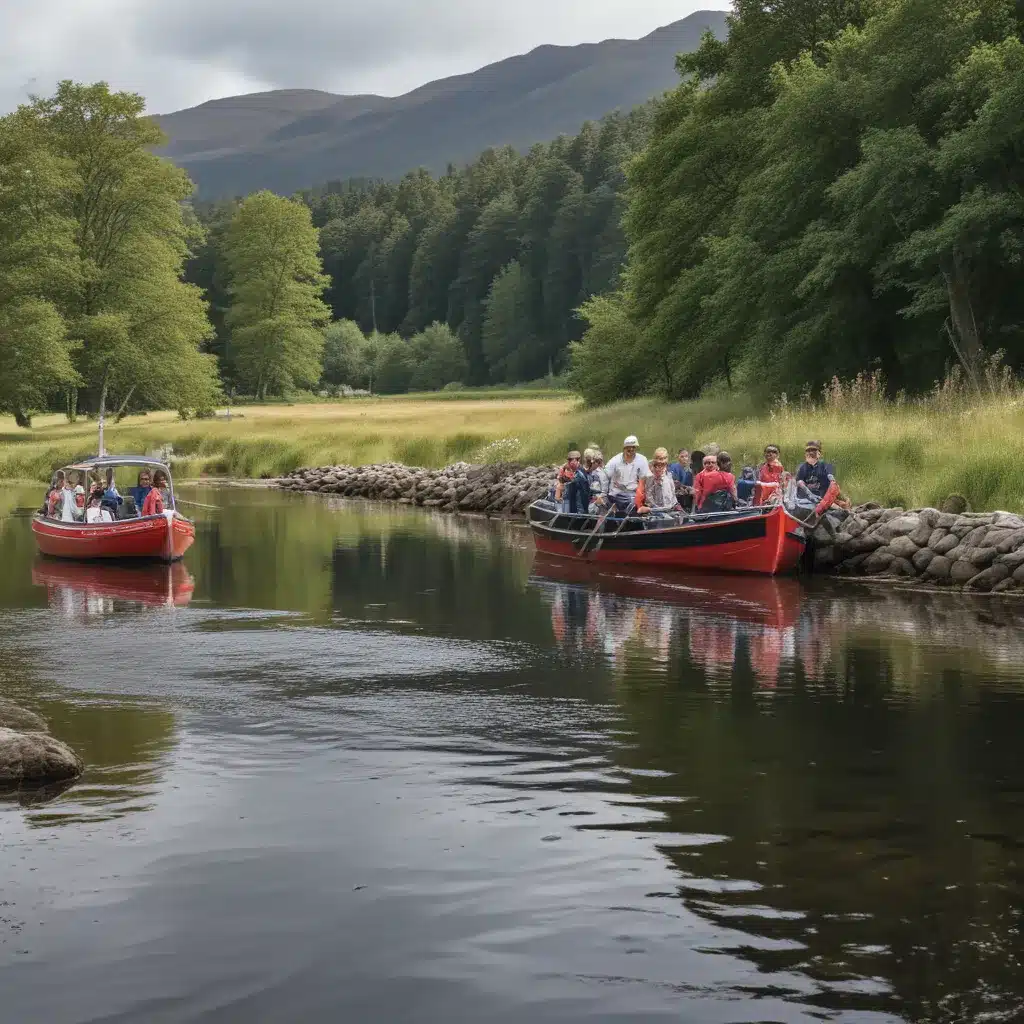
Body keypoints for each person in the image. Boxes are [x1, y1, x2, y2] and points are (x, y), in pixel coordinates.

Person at [605, 435, 650, 513]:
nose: (631, 449)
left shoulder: (642, 460)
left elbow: (644, 479)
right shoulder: (615, 461)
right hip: (617, 493)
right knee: (632, 501)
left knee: (639, 500)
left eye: (633, 447)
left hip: (635, 492)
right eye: (628, 447)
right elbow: (605, 474)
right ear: (624, 448)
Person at [636, 448, 683, 520]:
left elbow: (672, 492)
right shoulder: (649, 476)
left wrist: (675, 505)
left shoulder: (669, 473)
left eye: (664, 458)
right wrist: (655, 509)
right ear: (655, 459)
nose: (662, 461)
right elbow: (648, 497)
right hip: (656, 511)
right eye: (660, 459)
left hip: (670, 508)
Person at [796, 440, 840, 516]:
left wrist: (831, 480)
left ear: (819, 453)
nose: (809, 453)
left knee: (836, 509)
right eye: (808, 451)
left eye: (812, 450)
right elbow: (799, 482)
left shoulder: (825, 465)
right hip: (806, 500)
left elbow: (831, 480)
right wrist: (808, 492)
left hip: (823, 499)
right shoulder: (802, 467)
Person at [559, 451, 592, 515]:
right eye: (569, 460)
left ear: (577, 460)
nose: (569, 462)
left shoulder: (580, 473)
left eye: (571, 460)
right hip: (577, 504)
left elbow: (577, 486)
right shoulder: (578, 471)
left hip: (579, 507)